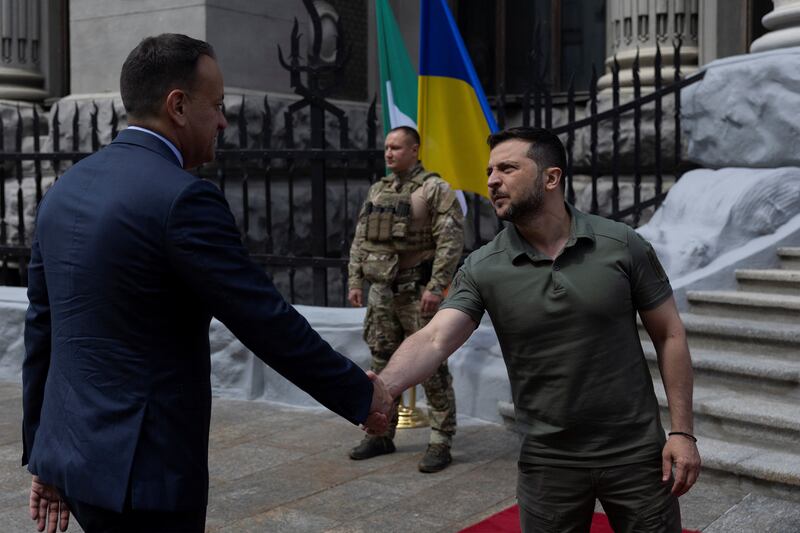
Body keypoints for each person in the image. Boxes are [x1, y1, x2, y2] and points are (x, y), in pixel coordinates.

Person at [22, 34, 391, 533]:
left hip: (75, 463)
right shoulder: (183, 199)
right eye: (216, 105)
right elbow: (263, 319)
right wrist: (359, 394)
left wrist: (43, 452)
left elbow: (42, 328)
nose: (223, 121)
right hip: (146, 475)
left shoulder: (63, 190)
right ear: (177, 105)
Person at [378, 127, 701, 531]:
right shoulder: (483, 266)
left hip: (636, 454)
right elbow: (434, 337)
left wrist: (682, 432)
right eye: (490, 171)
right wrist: (383, 388)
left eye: (507, 168)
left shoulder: (621, 244)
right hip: (548, 462)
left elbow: (669, 334)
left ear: (551, 178)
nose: (492, 180)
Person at [346, 126, 464, 473]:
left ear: (415, 150)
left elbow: (450, 240)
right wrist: (355, 281)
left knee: (430, 366)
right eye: (386, 147)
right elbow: (360, 240)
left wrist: (436, 286)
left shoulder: (435, 189)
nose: (389, 153)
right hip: (381, 292)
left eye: (396, 147)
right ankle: (382, 433)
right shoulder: (378, 189)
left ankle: (440, 439)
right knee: (381, 364)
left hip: (416, 291)